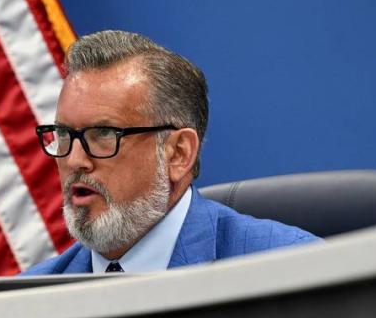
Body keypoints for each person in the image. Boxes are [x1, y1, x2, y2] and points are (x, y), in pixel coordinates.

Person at [23, 30, 318, 275]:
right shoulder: (24, 303)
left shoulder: (291, 270)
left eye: (103, 134)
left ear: (178, 154)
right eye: (64, 134)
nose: (74, 160)